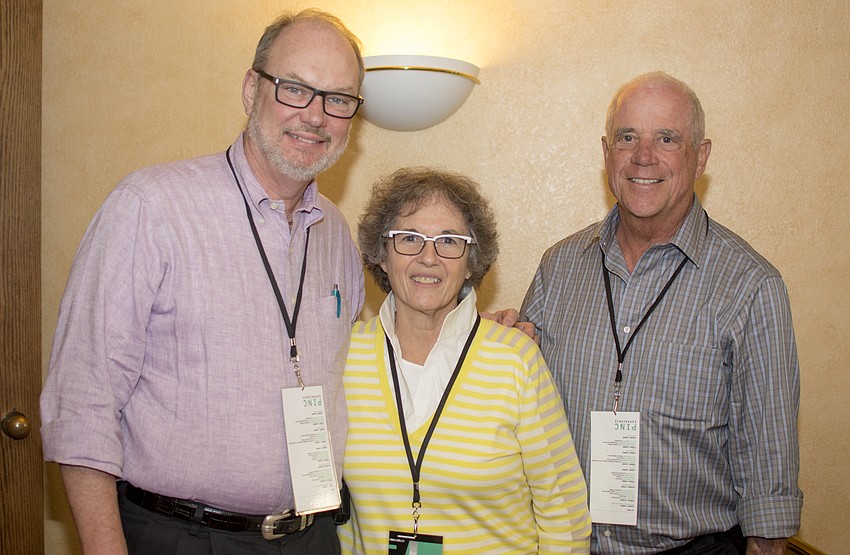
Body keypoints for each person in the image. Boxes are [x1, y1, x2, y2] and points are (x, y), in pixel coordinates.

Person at [40, 9, 366, 555]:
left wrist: (479, 329)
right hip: (181, 536)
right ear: (250, 89)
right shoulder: (151, 207)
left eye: (338, 98)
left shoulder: (335, 232)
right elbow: (83, 400)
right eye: (295, 89)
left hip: (311, 538)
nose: (316, 115)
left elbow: (367, 359)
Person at [511, 72, 802, 554]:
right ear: (607, 152)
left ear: (701, 156)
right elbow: (516, 400)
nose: (643, 156)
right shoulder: (558, 268)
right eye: (628, 138)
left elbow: (770, 477)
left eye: (666, 138)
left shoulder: (752, 287)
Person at [338, 167, 591, 555]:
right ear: (381, 257)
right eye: (409, 238)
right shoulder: (345, 358)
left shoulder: (515, 360)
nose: (428, 258)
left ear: (471, 262)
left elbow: (565, 516)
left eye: (449, 241)